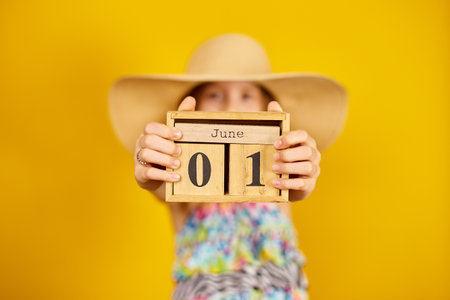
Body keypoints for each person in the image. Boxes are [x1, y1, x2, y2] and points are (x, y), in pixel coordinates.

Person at [108, 33, 348, 300]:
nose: (231, 105)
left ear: (268, 111)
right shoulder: (182, 176)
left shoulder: (274, 170)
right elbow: (159, 183)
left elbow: (295, 189)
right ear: (192, 109)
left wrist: (303, 171)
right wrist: (149, 163)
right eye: (214, 94)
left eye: (246, 95)